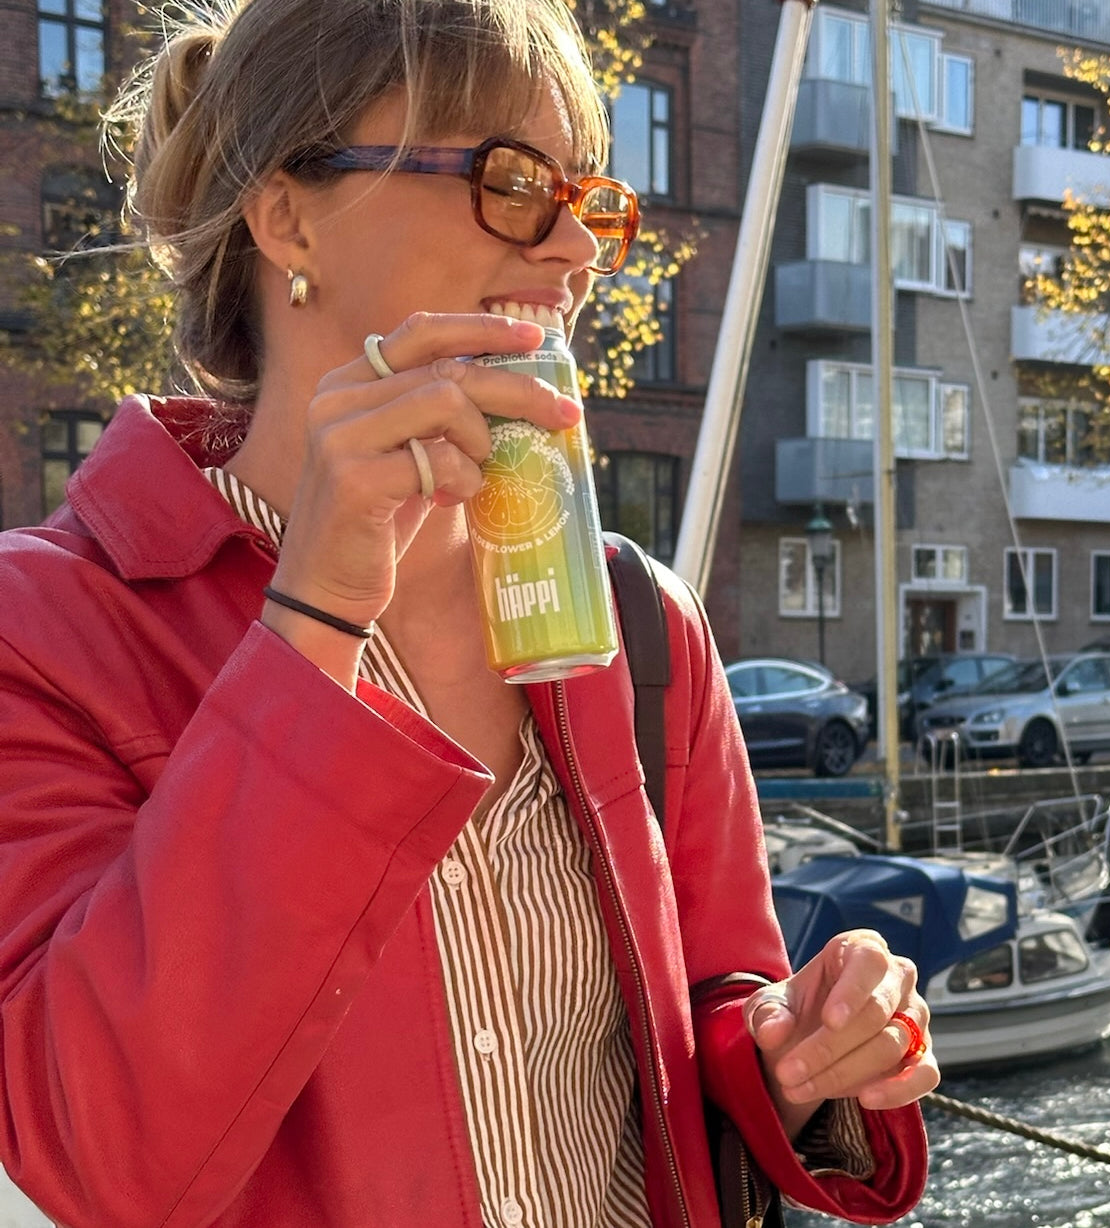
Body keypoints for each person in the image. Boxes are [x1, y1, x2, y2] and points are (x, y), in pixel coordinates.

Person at [0, 2, 935, 1226]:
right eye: (510, 180)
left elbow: (716, 994)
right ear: (288, 214)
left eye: (589, 200)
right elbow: (85, 1145)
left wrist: (803, 1050)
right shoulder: (47, 628)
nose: (573, 251)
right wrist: (317, 611)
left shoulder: (638, 620)